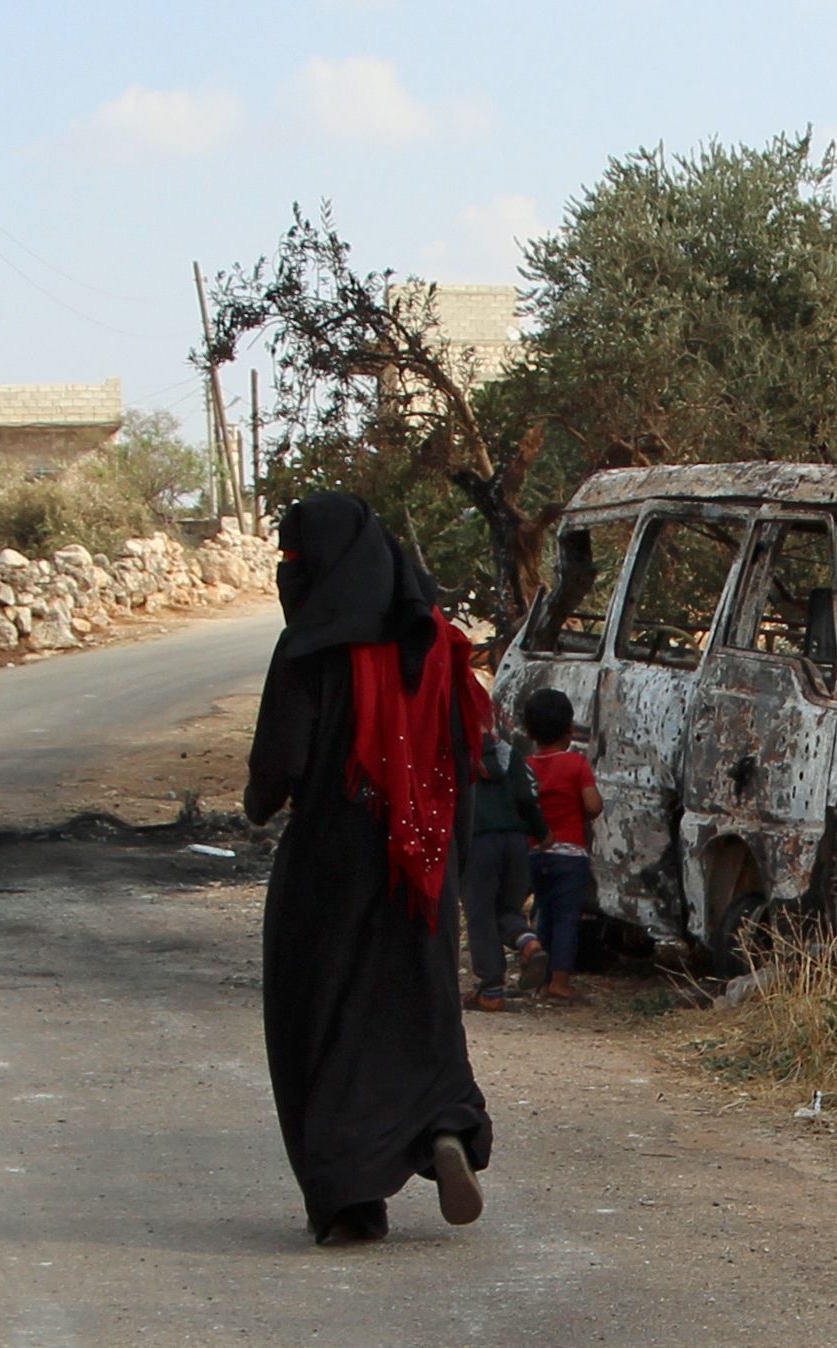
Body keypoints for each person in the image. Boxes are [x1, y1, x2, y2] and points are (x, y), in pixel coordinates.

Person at [244, 491, 493, 1244]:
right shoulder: (443, 647)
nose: (289, 573)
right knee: (418, 1003)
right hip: (422, 864)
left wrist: (262, 798)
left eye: (293, 559)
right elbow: (464, 762)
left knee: (317, 1015)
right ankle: (443, 1126)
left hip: (330, 862)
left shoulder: (310, 651)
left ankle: (350, 1201)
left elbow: (275, 774)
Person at [521, 687, 604, 1004]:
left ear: (528, 732)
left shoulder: (526, 765)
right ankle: (559, 982)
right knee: (567, 918)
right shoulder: (576, 764)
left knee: (543, 912)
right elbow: (593, 806)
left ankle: (540, 974)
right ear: (570, 728)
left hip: (535, 853)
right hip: (570, 856)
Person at [461, 732, 551, 1012]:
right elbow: (527, 797)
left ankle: (491, 990)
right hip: (515, 841)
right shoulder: (508, 752)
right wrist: (543, 832)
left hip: (477, 841)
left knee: (480, 914)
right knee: (508, 909)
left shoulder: (453, 751)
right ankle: (528, 941)